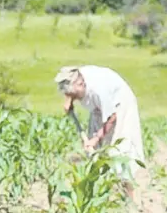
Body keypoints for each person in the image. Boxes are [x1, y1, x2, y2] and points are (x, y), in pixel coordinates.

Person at [54, 65, 145, 200]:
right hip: (100, 107)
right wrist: (70, 101)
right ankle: (100, 194)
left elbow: (112, 117)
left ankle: (129, 198)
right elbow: (70, 88)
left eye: (74, 95)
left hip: (120, 104)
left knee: (119, 149)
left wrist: (96, 138)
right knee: (94, 152)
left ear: (81, 84)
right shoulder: (75, 77)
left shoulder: (99, 90)